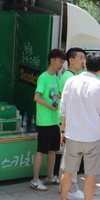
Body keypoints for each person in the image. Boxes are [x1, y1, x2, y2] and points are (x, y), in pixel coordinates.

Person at [54, 53, 100, 200]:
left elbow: (63, 109)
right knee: (90, 175)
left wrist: (63, 131)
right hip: (93, 136)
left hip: (72, 134)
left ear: (85, 64)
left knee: (68, 170)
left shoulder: (71, 81)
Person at [30, 49, 66, 191]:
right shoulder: (43, 77)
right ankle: (35, 180)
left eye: (63, 62)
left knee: (53, 150)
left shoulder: (56, 78)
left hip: (54, 121)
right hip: (44, 121)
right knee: (41, 151)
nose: (61, 64)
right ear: (52, 60)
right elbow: (37, 97)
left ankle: (50, 176)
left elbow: (59, 94)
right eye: (60, 61)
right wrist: (50, 106)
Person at [58, 47, 86, 200]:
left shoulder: (71, 76)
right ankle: (71, 189)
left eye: (84, 58)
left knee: (68, 158)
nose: (83, 61)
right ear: (71, 60)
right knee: (71, 159)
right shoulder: (70, 78)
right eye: (80, 57)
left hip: (68, 123)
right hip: (69, 124)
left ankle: (65, 187)